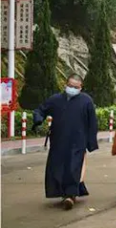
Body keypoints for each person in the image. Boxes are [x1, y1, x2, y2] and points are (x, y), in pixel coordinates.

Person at [31, 74, 99, 210]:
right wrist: (38, 118)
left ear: (81, 87)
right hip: (58, 140)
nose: (72, 89)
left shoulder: (86, 101)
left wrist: (90, 142)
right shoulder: (55, 100)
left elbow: (93, 123)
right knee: (57, 167)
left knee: (73, 167)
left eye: (76, 87)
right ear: (65, 85)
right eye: (70, 86)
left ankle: (70, 195)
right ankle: (63, 192)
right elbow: (40, 110)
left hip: (78, 141)